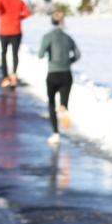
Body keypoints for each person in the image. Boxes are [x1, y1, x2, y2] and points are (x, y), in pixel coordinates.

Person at [38, 10, 80, 145]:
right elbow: (77, 54)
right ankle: (64, 108)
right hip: (67, 74)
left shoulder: (48, 36)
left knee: (51, 103)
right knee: (63, 102)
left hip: (53, 73)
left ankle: (55, 133)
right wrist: (68, 61)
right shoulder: (68, 37)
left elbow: (40, 54)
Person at [0, 0, 30, 88]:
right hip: (16, 30)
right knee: (15, 54)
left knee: (3, 53)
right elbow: (27, 13)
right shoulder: (18, 0)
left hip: (4, 30)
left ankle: (5, 77)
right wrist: (19, 18)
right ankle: (14, 74)